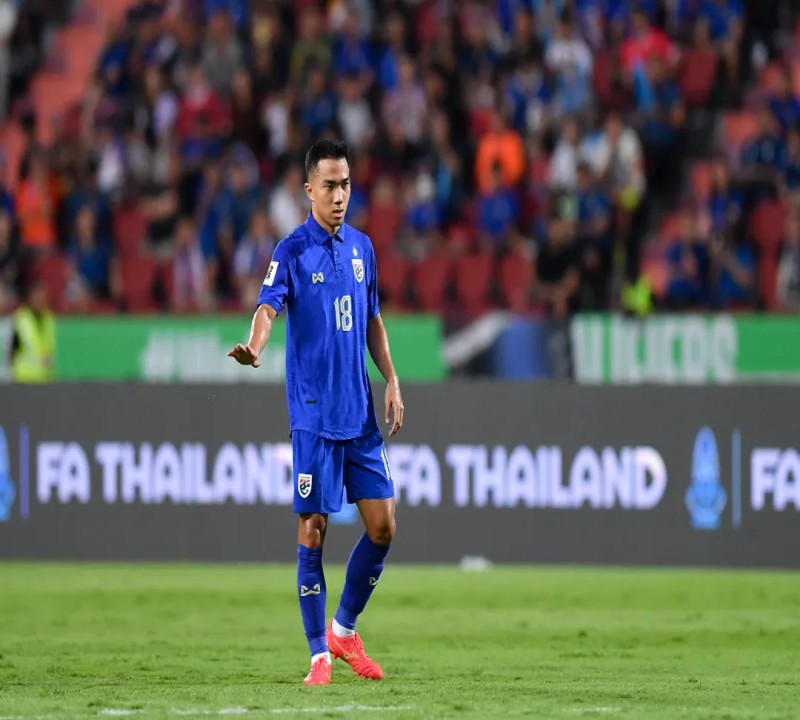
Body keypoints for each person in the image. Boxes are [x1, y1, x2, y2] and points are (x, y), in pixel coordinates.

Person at [227, 139, 404, 686]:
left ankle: (344, 630)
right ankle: (318, 656)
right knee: (313, 529)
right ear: (309, 190)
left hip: (360, 414)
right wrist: (255, 346)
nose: (340, 195)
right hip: (312, 415)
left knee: (383, 527)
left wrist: (392, 380)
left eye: (345, 184)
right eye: (329, 185)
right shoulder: (291, 250)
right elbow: (267, 307)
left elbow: (372, 321)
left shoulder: (363, 249)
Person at [10, 277, 55, 383]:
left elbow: (50, 346)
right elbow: (13, 348)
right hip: (24, 378)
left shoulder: (48, 318)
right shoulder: (21, 319)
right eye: (36, 295)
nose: (39, 299)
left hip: (44, 378)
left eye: (41, 295)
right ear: (29, 297)